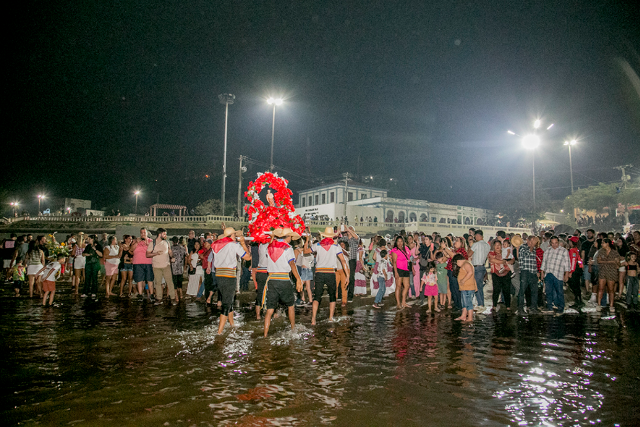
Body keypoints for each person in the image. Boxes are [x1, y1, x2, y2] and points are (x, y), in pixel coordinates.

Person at [263, 228, 303, 336]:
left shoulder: (269, 247)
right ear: (288, 237)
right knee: (290, 305)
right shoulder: (288, 248)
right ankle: (293, 328)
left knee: (270, 309)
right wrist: (298, 278)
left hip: (272, 280)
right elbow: (292, 264)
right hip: (284, 279)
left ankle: (265, 334)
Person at [305, 227, 349, 325]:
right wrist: (348, 275)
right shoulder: (336, 246)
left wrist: (306, 241)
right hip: (330, 273)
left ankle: (313, 319)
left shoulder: (317, 245)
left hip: (319, 273)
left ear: (323, 235)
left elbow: (306, 251)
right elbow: (343, 261)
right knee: (332, 297)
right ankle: (330, 317)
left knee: (317, 297)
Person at [211, 227, 251, 334]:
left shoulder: (216, 245)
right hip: (229, 276)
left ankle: (232, 323)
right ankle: (219, 332)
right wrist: (243, 243)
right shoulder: (234, 245)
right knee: (226, 303)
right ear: (232, 236)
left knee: (228, 300)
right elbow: (248, 257)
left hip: (219, 275)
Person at [146, 228, 178, 305]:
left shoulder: (167, 242)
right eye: (164, 234)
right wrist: (156, 253)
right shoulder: (152, 243)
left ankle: (173, 298)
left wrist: (172, 257)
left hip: (166, 265)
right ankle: (159, 298)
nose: (165, 235)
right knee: (158, 283)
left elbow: (170, 251)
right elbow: (147, 254)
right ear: (160, 234)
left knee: (170, 282)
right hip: (156, 266)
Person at [540, 236, 571, 315]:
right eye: (552, 243)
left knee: (559, 291)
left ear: (558, 242)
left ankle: (561, 307)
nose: (554, 245)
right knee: (548, 291)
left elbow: (567, 263)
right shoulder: (547, 251)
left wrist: (567, 274)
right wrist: (542, 272)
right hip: (548, 273)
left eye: (556, 243)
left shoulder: (563, 251)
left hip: (558, 273)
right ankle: (549, 307)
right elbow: (544, 262)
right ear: (550, 243)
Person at [442, 237, 468, 311]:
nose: (454, 242)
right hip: (451, 271)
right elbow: (448, 256)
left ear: (461, 243)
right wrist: (444, 249)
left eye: (456, 241)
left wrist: (446, 248)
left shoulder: (462, 251)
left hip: (457, 272)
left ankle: (460, 306)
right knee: (453, 289)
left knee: (457, 289)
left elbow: (454, 256)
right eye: (454, 241)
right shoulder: (454, 250)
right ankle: (456, 305)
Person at [595, 238, 620, 313]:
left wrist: (607, 262)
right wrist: (612, 261)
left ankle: (611, 305)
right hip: (603, 271)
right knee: (601, 288)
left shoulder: (614, 252)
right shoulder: (600, 251)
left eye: (603, 243)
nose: (602, 244)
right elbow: (599, 261)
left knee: (611, 289)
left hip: (611, 272)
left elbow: (618, 263)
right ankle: (599, 304)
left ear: (607, 244)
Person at [467, 230, 490, 311]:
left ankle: (480, 304)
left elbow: (469, 254)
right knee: (479, 286)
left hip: (477, 267)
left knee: (477, 286)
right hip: (483, 267)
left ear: (477, 236)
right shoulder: (487, 245)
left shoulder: (476, 245)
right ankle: (480, 303)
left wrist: (470, 246)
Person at [517, 236, 540, 315]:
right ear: (528, 240)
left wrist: (537, 271)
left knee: (534, 291)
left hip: (533, 272)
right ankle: (520, 309)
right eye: (532, 241)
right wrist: (532, 246)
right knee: (522, 291)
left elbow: (534, 260)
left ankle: (533, 308)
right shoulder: (523, 247)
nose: (533, 243)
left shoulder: (533, 249)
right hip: (525, 271)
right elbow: (526, 254)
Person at [488, 240, 513, 311]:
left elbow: (513, 259)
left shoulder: (506, 252)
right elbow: (492, 260)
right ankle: (494, 305)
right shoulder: (491, 253)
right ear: (493, 246)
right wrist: (503, 261)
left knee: (507, 290)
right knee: (496, 290)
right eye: (496, 245)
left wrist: (509, 261)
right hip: (496, 273)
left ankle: (508, 305)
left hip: (506, 273)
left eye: (499, 245)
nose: (498, 246)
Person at [131, 229, 154, 299]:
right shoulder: (136, 241)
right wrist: (136, 243)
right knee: (139, 279)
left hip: (148, 262)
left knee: (149, 279)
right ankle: (140, 294)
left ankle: (151, 294)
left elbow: (153, 251)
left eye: (144, 233)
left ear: (147, 233)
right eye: (141, 233)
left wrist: (147, 243)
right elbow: (131, 250)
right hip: (137, 263)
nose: (143, 234)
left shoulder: (151, 241)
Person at [453, 254, 477, 322]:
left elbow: (470, 273)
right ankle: (463, 316)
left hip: (468, 288)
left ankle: (470, 318)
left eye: (456, 263)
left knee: (468, 303)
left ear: (459, 260)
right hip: (464, 288)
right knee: (464, 303)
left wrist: (463, 280)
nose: (457, 265)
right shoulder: (465, 264)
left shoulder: (466, 264)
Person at [391, 236, 412, 309]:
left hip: (406, 269)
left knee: (407, 285)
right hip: (398, 269)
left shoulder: (406, 248)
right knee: (398, 286)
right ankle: (398, 303)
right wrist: (396, 272)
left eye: (401, 241)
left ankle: (403, 302)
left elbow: (409, 259)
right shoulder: (395, 250)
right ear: (396, 242)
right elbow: (394, 262)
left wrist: (412, 268)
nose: (400, 243)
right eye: (398, 241)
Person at [567, 236, 583, 309]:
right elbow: (579, 260)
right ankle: (579, 300)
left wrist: (571, 271)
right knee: (577, 286)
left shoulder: (572, 250)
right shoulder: (576, 250)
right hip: (577, 269)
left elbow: (573, 261)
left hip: (574, 270)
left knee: (574, 285)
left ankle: (577, 301)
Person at [170, 236, 187, 301]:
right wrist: (185, 266)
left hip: (173, 268)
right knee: (180, 282)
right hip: (180, 268)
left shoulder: (171, 248)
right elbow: (185, 257)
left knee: (174, 282)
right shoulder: (182, 248)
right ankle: (181, 295)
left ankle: (176, 296)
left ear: (172, 242)